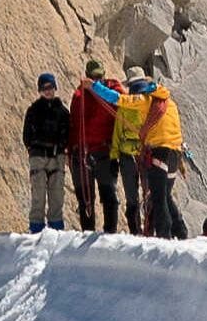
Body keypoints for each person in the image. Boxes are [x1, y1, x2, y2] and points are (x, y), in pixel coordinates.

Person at [116, 67, 189, 237]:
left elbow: (118, 100)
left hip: (156, 152)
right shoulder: (169, 103)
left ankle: (164, 232)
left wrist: (94, 87)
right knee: (165, 194)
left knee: (157, 196)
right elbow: (175, 131)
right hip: (173, 152)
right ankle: (180, 230)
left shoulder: (144, 101)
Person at [66, 62, 122, 232]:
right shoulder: (79, 96)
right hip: (83, 154)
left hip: (103, 151)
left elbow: (121, 101)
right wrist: (71, 151)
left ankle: (110, 233)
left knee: (108, 196)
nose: (97, 81)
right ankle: (88, 233)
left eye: (99, 77)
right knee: (85, 199)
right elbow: (74, 125)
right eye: (94, 77)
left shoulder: (112, 91)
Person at [17, 73, 76, 231]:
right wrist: (32, 148)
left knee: (57, 194)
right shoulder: (33, 110)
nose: (48, 91)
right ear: (40, 90)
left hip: (57, 155)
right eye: (44, 88)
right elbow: (26, 135)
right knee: (38, 193)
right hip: (38, 155)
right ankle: (36, 228)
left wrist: (63, 148)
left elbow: (68, 132)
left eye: (50, 87)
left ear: (55, 88)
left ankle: (56, 227)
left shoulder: (62, 111)